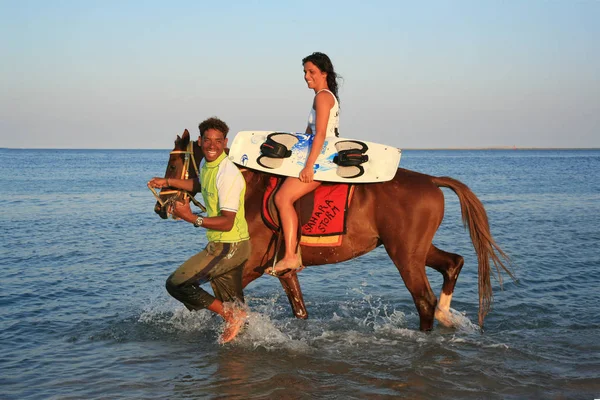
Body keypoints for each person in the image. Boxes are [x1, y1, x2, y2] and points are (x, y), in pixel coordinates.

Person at [148, 117, 251, 343]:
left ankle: (231, 316)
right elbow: (200, 184)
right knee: (237, 311)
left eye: (217, 141)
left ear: (225, 142)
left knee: (177, 284)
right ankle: (248, 354)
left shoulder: (228, 174)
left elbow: (227, 222)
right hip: (230, 245)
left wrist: (191, 218)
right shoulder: (208, 165)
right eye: (207, 140)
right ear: (200, 141)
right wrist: (167, 182)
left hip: (228, 246)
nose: (212, 146)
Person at [266, 52, 341, 277]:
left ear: (324, 73)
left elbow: (320, 136)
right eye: (305, 72)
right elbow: (308, 134)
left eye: (312, 72)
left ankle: (290, 255)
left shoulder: (323, 97)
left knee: (282, 198)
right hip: (317, 154)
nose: (307, 76)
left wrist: (309, 166)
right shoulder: (320, 97)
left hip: (322, 160)